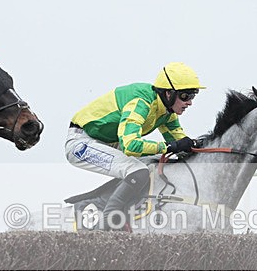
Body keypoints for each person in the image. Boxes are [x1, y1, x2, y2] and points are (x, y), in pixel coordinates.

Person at [66, 62, 205, 230]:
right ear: (168, 93)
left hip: (108, 143)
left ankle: (103, 205)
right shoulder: (141, 102)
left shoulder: (166, 112)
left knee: (153, 164)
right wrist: (168, 147)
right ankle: (104, 227)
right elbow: (130, 146)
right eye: (185, 96)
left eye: (193, 96)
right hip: (82, 143)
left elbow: (181, 143)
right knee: (138, 171)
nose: (189, 102)